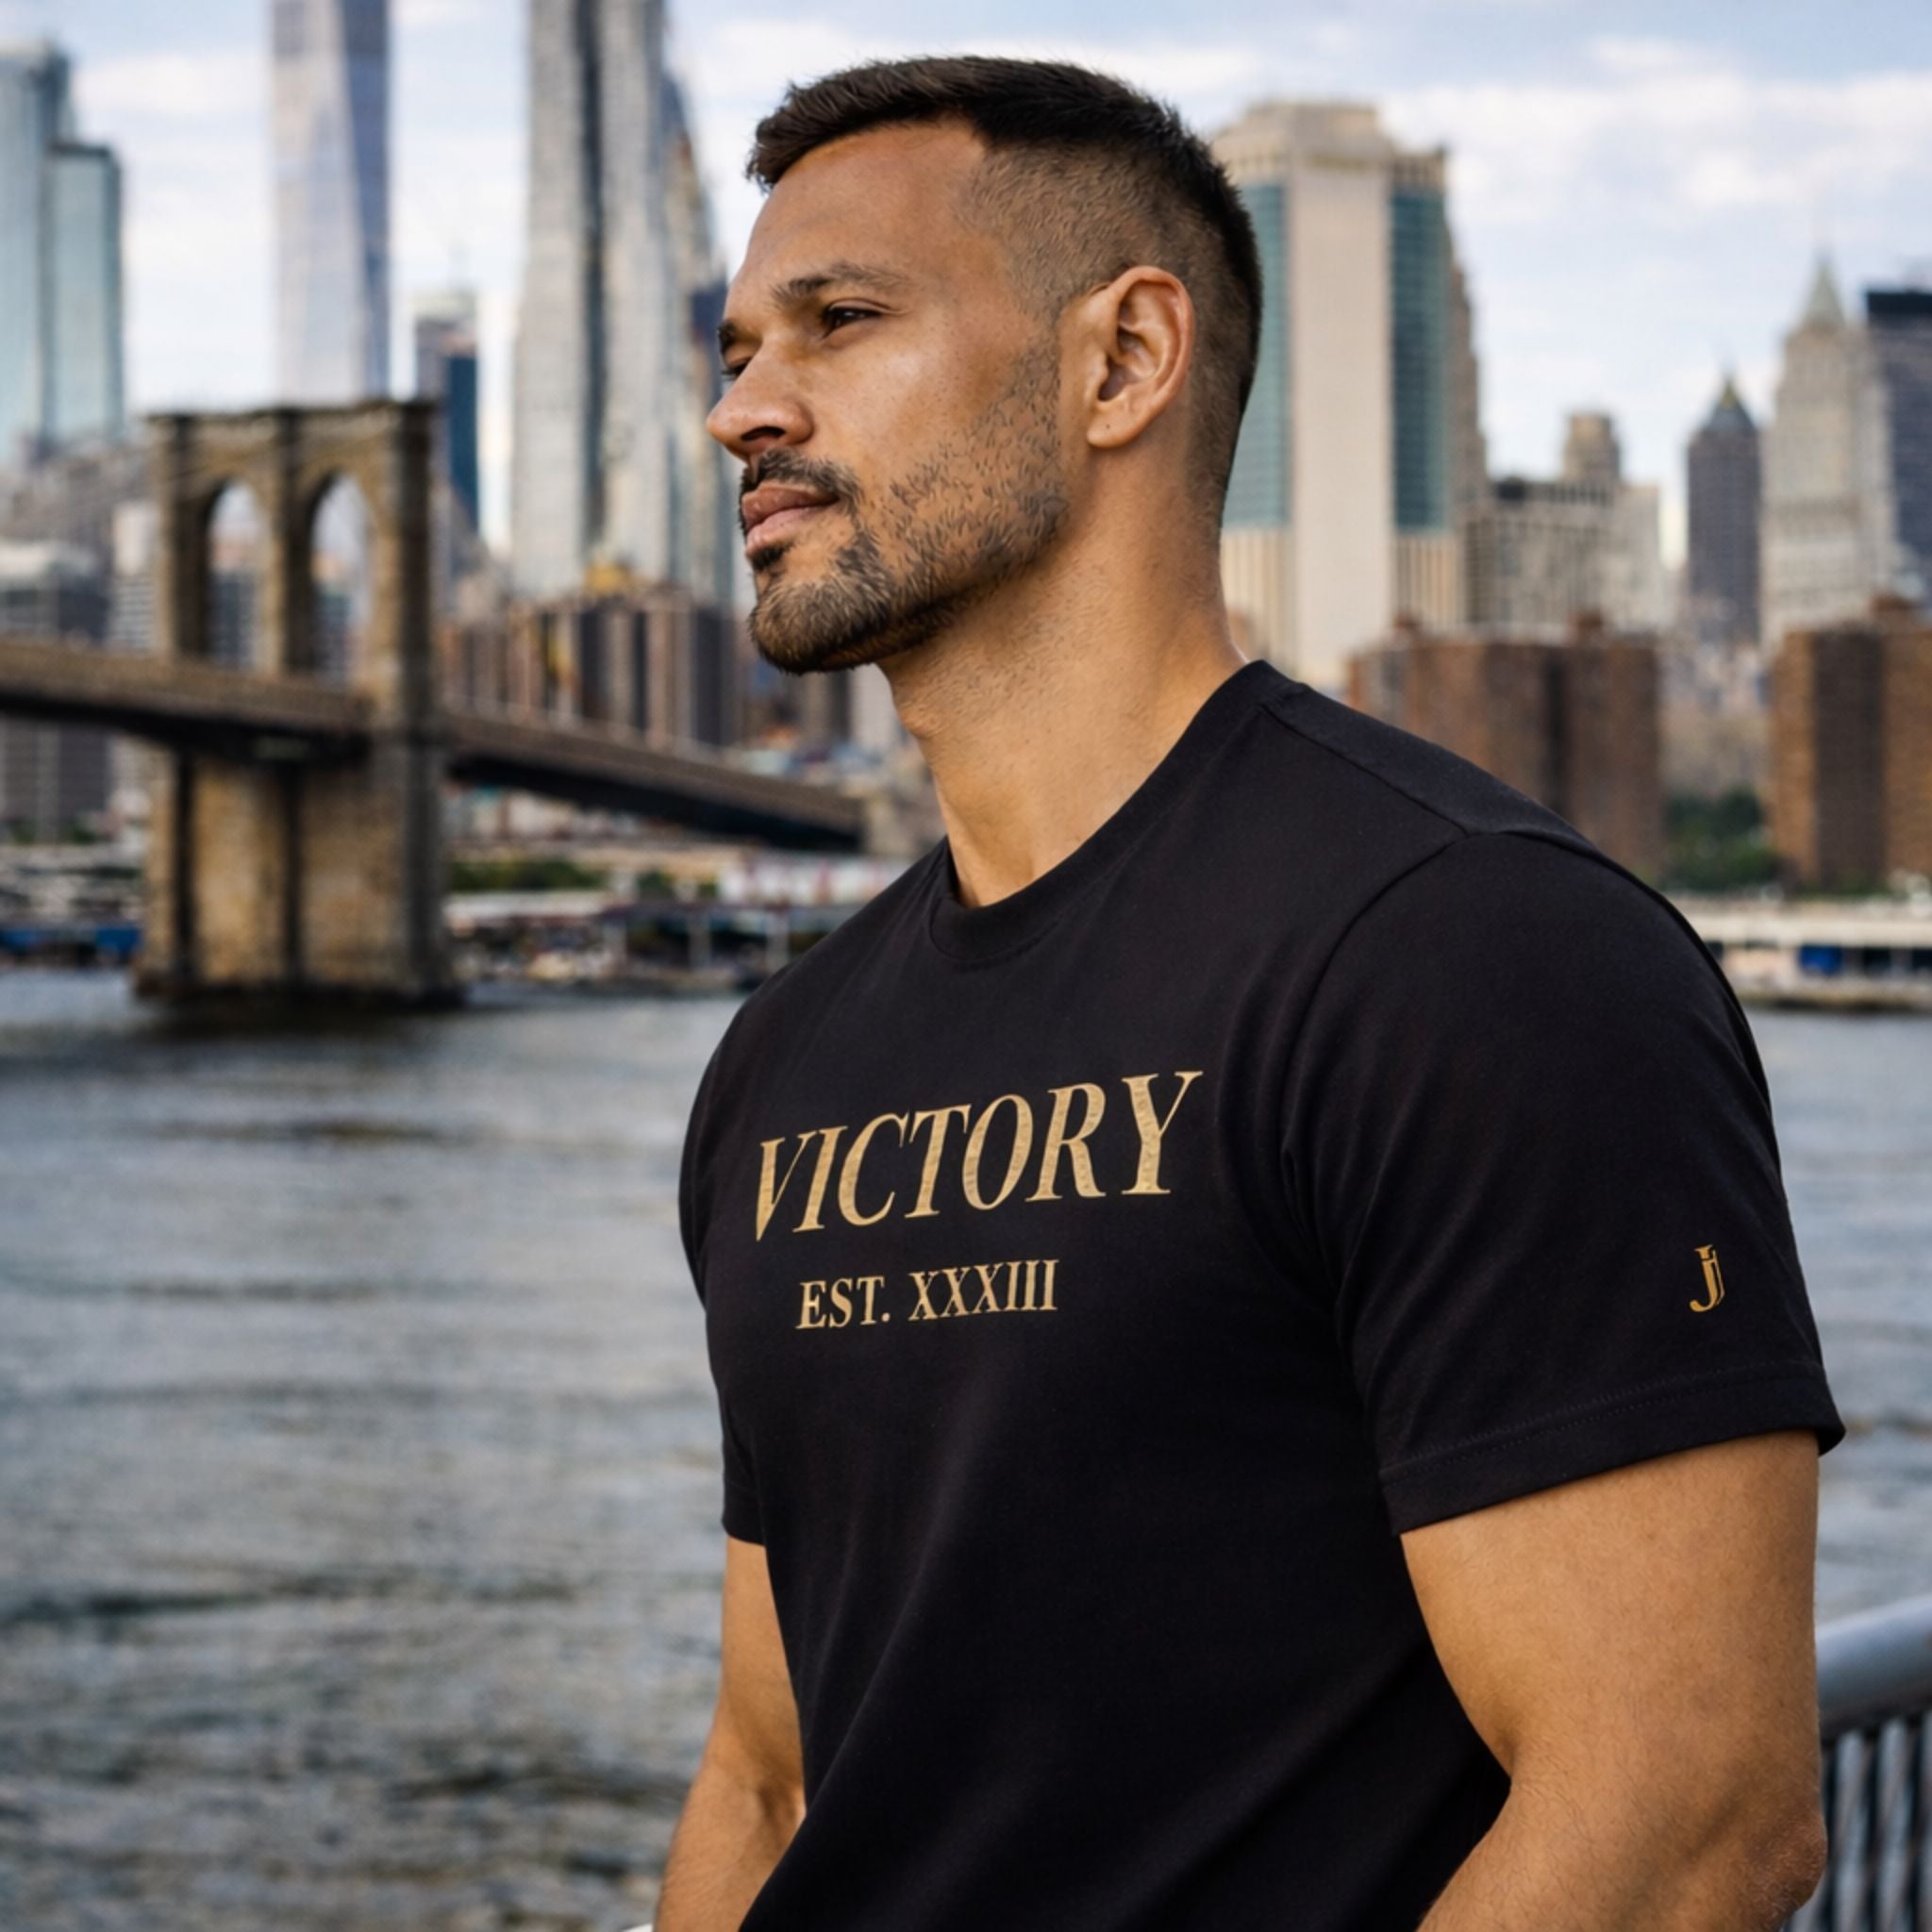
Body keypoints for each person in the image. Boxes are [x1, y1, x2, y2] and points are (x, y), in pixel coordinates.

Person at [658, 56, 1842, 1932]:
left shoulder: (1478, 961)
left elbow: (1684, 1814)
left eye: (841, 322)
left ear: (1123, 362)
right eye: (736, 351)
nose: (742, 409)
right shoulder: (783, 1063)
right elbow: (771, 1769)